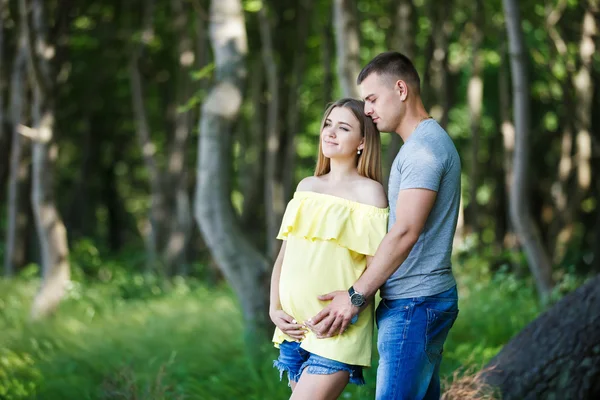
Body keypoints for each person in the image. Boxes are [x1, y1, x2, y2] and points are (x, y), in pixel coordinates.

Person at [305, 52, 462, 400]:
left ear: (401, 89)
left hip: (415, 303)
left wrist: (354, 297)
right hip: (416, 301)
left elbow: (405, 231)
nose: (369, 110)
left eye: (373, 98)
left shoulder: (424, 150)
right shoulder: (420, 146)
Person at [269, 98, 389, 399]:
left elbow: (379, 267)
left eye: (343, 127)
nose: (330, 133)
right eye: (328, 124)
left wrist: (353, 303)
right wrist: (274, 309)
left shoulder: (370, 194)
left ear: (362, 141)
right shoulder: (306, 187)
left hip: (336, 330)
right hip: (293, 331)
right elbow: (284, 257)